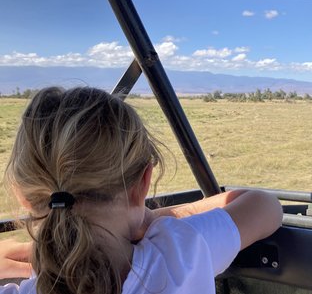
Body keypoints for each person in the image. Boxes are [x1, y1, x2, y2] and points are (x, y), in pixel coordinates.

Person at [0, 86, 283, 294]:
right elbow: (265, 206)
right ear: (143, 184)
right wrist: (152, 218)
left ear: (22, 195)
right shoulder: (178, 256)